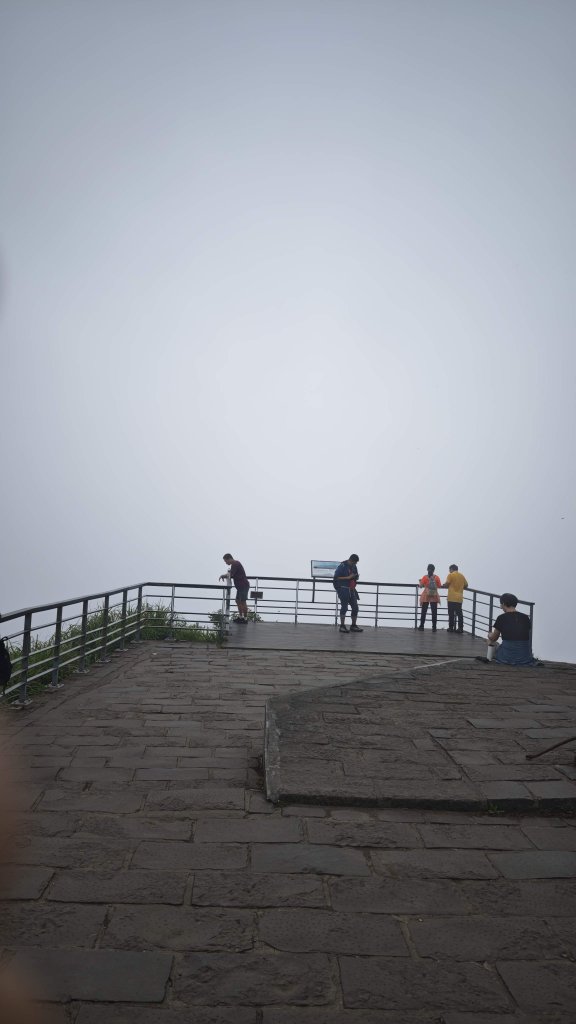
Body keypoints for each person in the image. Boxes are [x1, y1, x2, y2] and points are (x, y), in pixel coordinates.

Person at [477, 593, 537, 665]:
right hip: (525, 657)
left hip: (507, 658)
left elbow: (494, 638)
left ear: (503, 604)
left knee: (491, 641)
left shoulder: (501, 617)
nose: (500, 607)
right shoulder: (525, 617)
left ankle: (489, 658)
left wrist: (489, 635)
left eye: (501, 604)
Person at [333, 554, 363, 633]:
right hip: (343, 589)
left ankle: (353, 625)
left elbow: (353, 576)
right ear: (351, 560)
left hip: (352, 589)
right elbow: (336, 577)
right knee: (344, 607)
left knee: (355, 607)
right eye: (354, 562)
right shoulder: (342, 566)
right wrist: (348, 577)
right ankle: (342, 626)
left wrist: (355, 577)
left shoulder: (354, 566)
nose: (355, 564)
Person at [219, 554, 250, 623]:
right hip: (240, 586)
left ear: (229, 559)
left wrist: (223, 575)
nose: (226, 563)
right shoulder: (235, 564)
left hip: (243, 585)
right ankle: (241, 617)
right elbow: (231, 574)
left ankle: (245, 619)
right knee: (238, 601)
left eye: (226, 561)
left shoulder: (235, 564)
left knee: (243, 601)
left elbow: (231, 574)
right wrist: (225, 575)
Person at [442, 563, 468, 633]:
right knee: (459, 613)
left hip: (451, 597)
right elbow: (466, 585)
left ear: (452, 569)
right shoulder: (462, 576)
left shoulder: (451, 575)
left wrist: (444, 585)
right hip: (459, 598)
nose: (449, 571)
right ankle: (460, 628)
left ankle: (451, 628)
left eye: (449, 570)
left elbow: (447, 583)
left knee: (451, 613)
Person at [418, 563, 441, 630]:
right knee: (434, 612)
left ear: (427, 569)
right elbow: (439, 585)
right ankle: (434, 627)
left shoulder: (425, 577)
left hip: (426, 597)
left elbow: (421, 586)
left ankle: (421, 626)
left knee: (424, 612)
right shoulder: (436, 577)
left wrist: (420, 582)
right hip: (434, 596)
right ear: (434, 570)